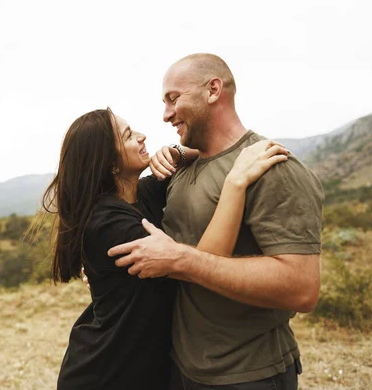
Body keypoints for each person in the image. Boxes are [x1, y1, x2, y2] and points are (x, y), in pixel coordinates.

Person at [108, 54, 324, 390]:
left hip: (248, 374)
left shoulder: (272, 167)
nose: (165, 115)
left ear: (213, 90)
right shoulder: (183, 168)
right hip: (181, 366)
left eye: (173, 98)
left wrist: (184, 260)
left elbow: (302, 288)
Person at [38, 107, 289, 389]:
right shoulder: (108, 224)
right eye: (129, 135)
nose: (143, 137)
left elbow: (199, 154)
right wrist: (235, 183)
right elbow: (201, 263)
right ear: (110, 162)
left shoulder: (140, 194)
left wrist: (174, 152)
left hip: (144, 367)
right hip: (109, 372)